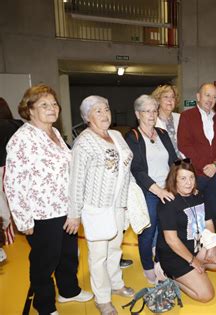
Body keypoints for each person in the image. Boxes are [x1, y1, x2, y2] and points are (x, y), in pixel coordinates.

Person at [4, 85, 93, 315]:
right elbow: (14, 183)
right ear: (29, 109)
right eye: (44, 105)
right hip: (42, 212)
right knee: (45, 261)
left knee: (68, 254)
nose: (52, 108)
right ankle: (44, 305)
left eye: (54, 104)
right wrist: (23, 220)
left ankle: (69, 290)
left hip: (65, 208)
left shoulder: (54, 134)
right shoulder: (22, 139)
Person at [69, 95, 134, 315]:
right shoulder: (84, 142)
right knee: (98, 255)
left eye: (106, 109)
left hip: (117, 204)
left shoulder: (116, 135)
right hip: (96, 207)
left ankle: (116, 283)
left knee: (115, 248)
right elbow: (76, 180)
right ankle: (102, 298)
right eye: (97, 111)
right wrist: (74, 213)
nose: (104, 114)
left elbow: (126, 168)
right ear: (87, 117)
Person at [156, 159, 216, 302]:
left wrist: (211, 246)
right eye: (183, 178)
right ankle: (171, 278)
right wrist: (193, 261)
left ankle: (194, 273)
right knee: (206, 295)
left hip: (196, 249)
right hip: (174, 256)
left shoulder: (197, 195)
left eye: (191, 177)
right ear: (175, 181)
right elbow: (171, 240)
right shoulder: (168, 202)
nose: (189, 182)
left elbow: (209, 223)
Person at [125, 95, 178, 283]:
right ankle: (148, 266)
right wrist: (158, 191)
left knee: (165, 230)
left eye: (154, 110)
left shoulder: (162, 134)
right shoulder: (133, 136)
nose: (151, 115)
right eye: (147, 111)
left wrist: (180, 181)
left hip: (168, 189)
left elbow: (174, 160)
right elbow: (138, 170)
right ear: (137, 113)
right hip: (149, 192)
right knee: (148, 232)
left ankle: (159, 262)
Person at [177, 83, 216, 230]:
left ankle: (211, 246)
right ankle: (194, 246)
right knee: (194, 213)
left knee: (213, 214)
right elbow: (184, 145)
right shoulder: (187, 116)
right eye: (207, 95)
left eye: (214, 96)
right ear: (198, 97)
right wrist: (204, 166)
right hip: (196, 176)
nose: (210, 99)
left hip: (215, 176)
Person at [0, 97, 23, 259]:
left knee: (2, 203)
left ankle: (8, 238)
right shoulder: (18, 125)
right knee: (17, 199)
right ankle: (23, 226)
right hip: (18, 168)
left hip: (1, 167)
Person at [152, 84, 181, 157]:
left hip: (182, 163)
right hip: (162, 164)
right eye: (166, 97)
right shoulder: (152, 121)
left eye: (173, 97)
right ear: (158, 100)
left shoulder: (181, 118)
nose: (170, 100)